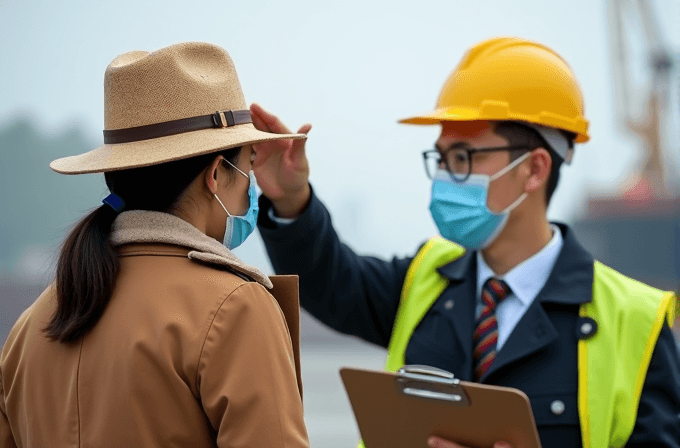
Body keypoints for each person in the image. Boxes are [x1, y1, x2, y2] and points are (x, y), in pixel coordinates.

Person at [251, 37, 680, 447]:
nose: (443, 176)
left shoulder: (635, 322)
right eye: (441, 158)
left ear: (534, 169)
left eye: (463, 157)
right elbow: (333, 281)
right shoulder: (426, 279)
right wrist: (291, 200)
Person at [0, 42, 310, 447]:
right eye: (249, 164)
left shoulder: (33, 323)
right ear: (216, 174)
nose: (253, 189)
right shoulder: (234, 309)